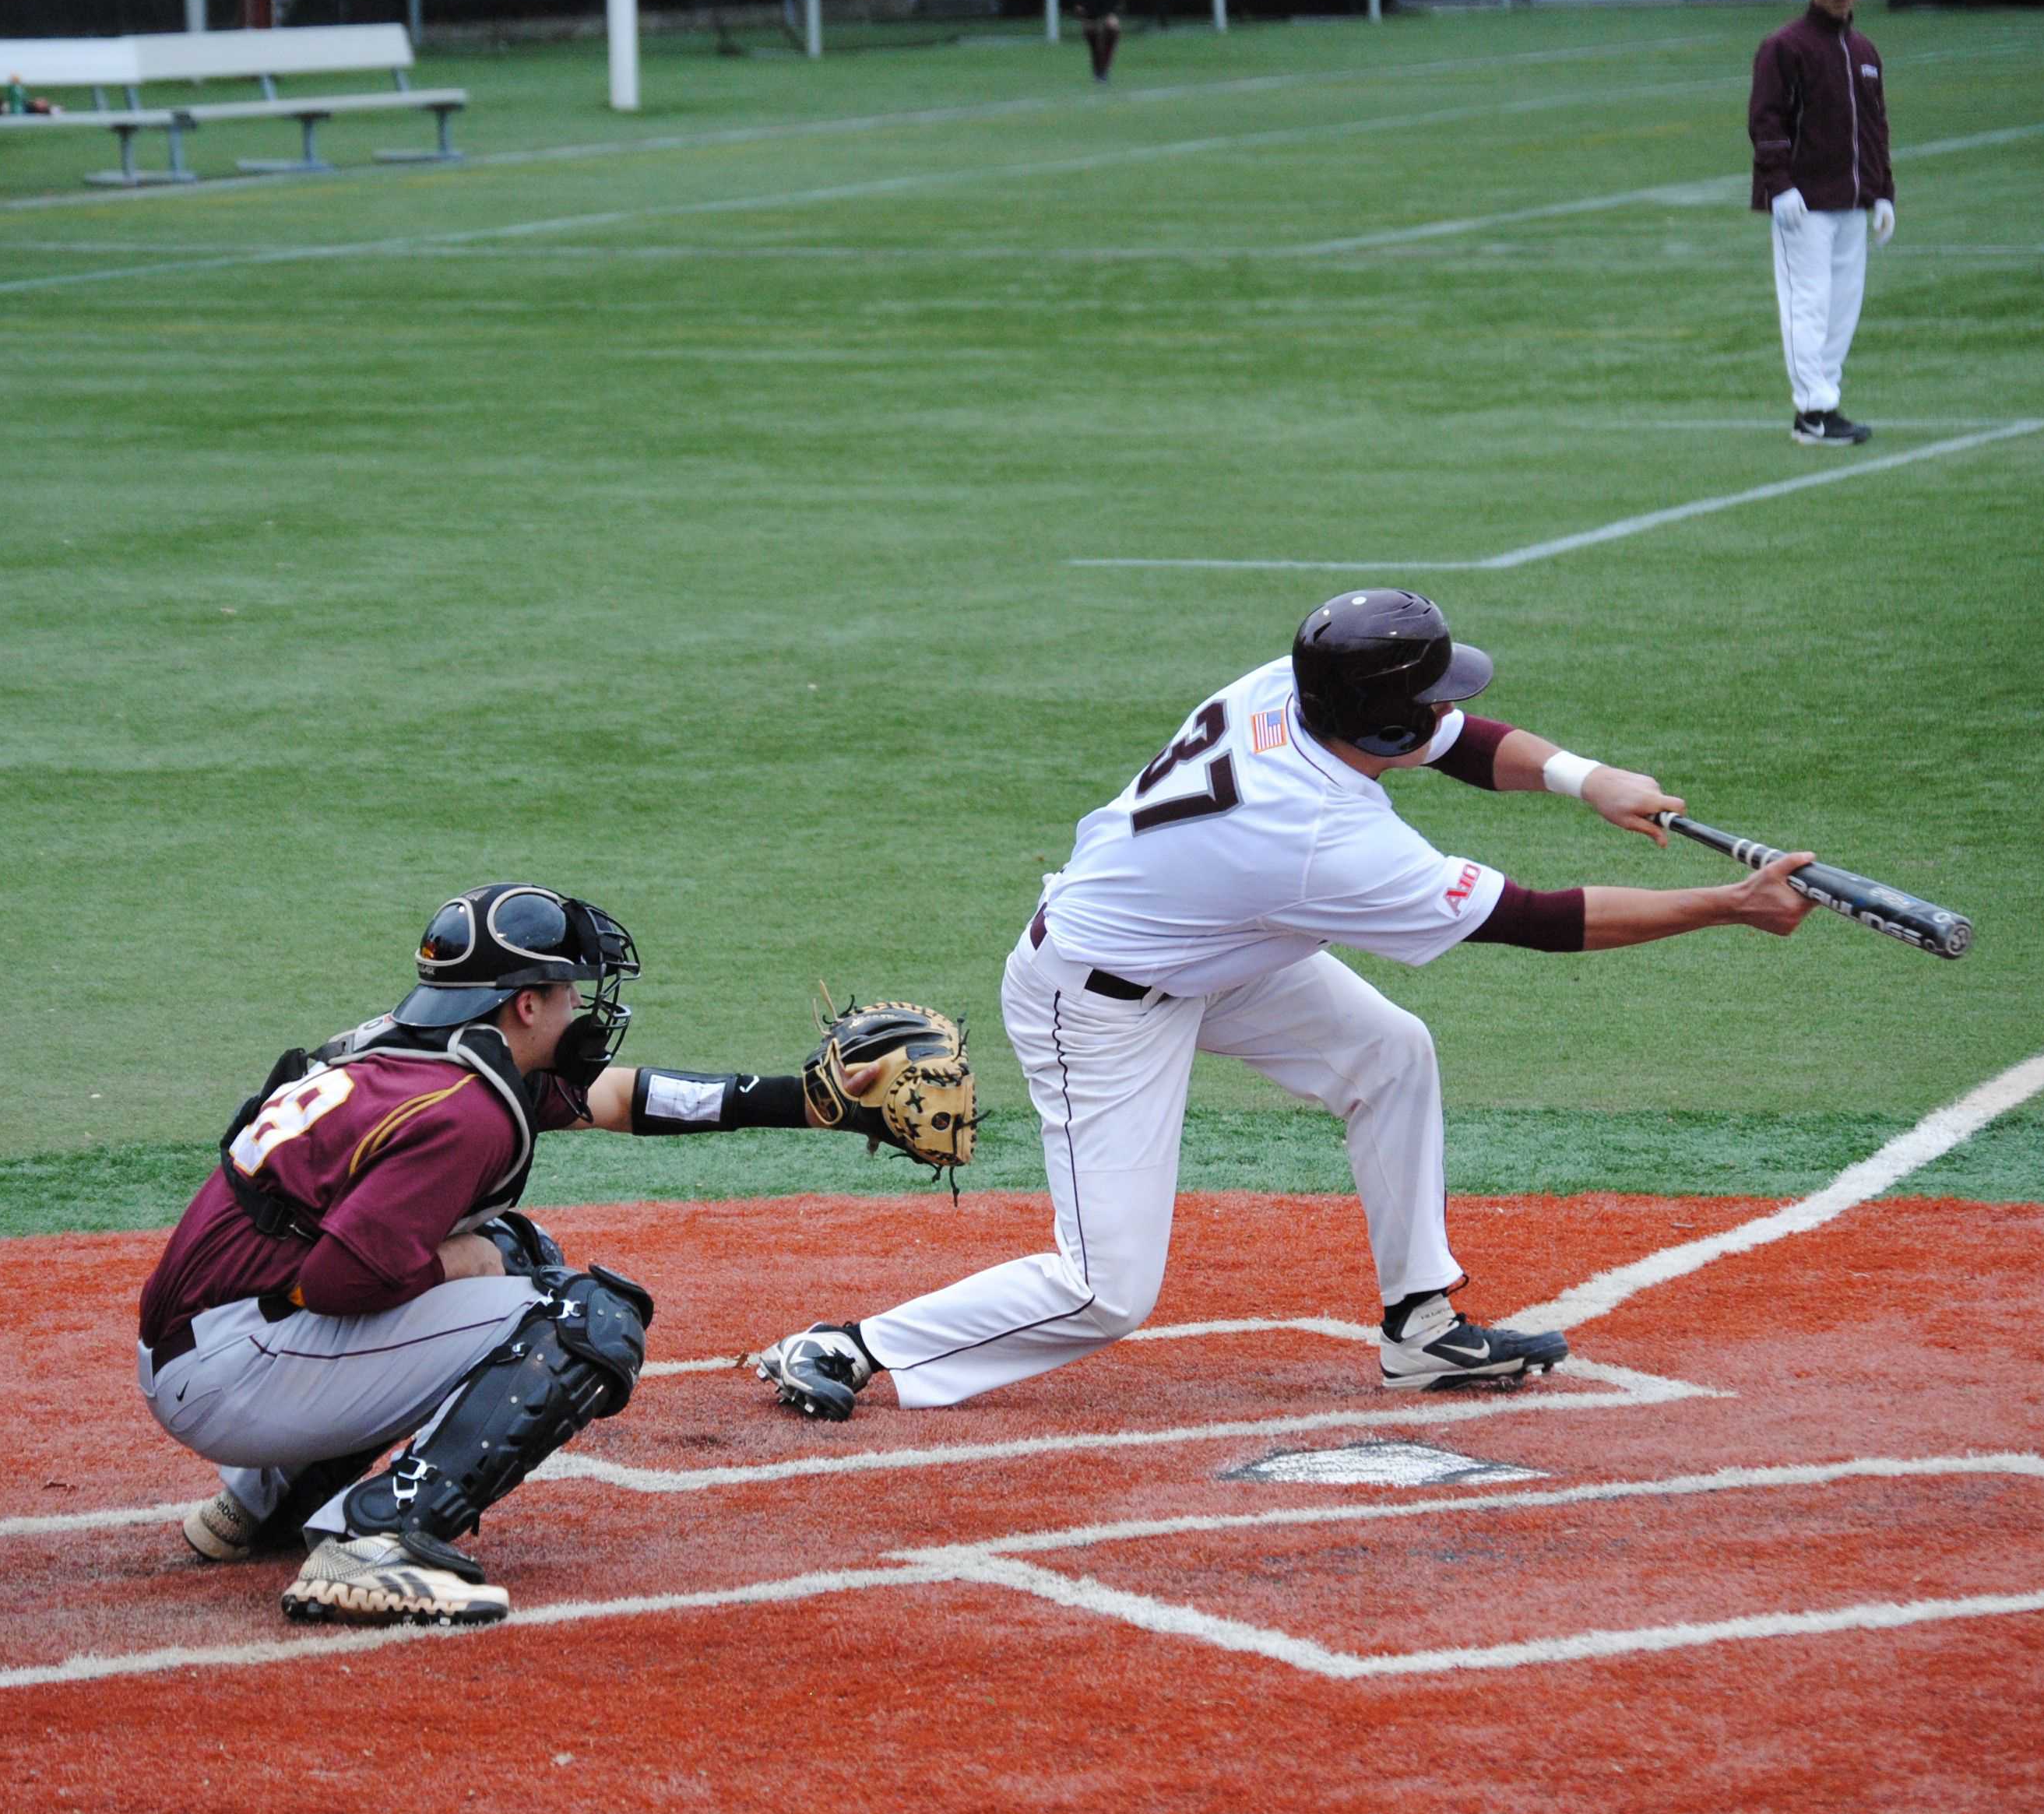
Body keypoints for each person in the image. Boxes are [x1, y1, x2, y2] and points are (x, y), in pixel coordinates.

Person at [751, 589, 1817, 1422]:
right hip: (1098, 1003)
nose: (1447, 708)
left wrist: (1591, 779)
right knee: (1106, 1291)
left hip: (1210, 945)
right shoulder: (1326, 841)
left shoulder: (1292, 689)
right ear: (1382, 720)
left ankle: (1422, 1329)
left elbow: (1460, 739)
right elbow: (1537, 918)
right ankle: (850, 1344)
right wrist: (1726, 905)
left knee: (1389, 1055)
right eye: (1430, 697)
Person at [136, 883, 908, 1626]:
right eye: (569, 989)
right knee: (582, 1319)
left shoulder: (418, 1048)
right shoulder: (463, 1111)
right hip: (233, 1370)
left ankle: (265, 1501)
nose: (583, 1005)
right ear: (525, 1004)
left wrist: (802, 1104)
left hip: (212, 1339)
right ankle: (369, 1539)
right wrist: (453, 1263)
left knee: (515, 1250)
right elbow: (337, 1280)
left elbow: (618, 1098)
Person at [1750, 0, 1894, 447]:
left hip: (1852, 200)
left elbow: (1876, 128)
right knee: (1807, 304)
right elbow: (1766, 120)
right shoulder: (1785, 47)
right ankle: (1813, 410)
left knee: (1842, 307)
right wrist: (1780, 185)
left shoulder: (1865, 51)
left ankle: (1824, 402)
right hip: (1804, 203)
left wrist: (1883, 194)